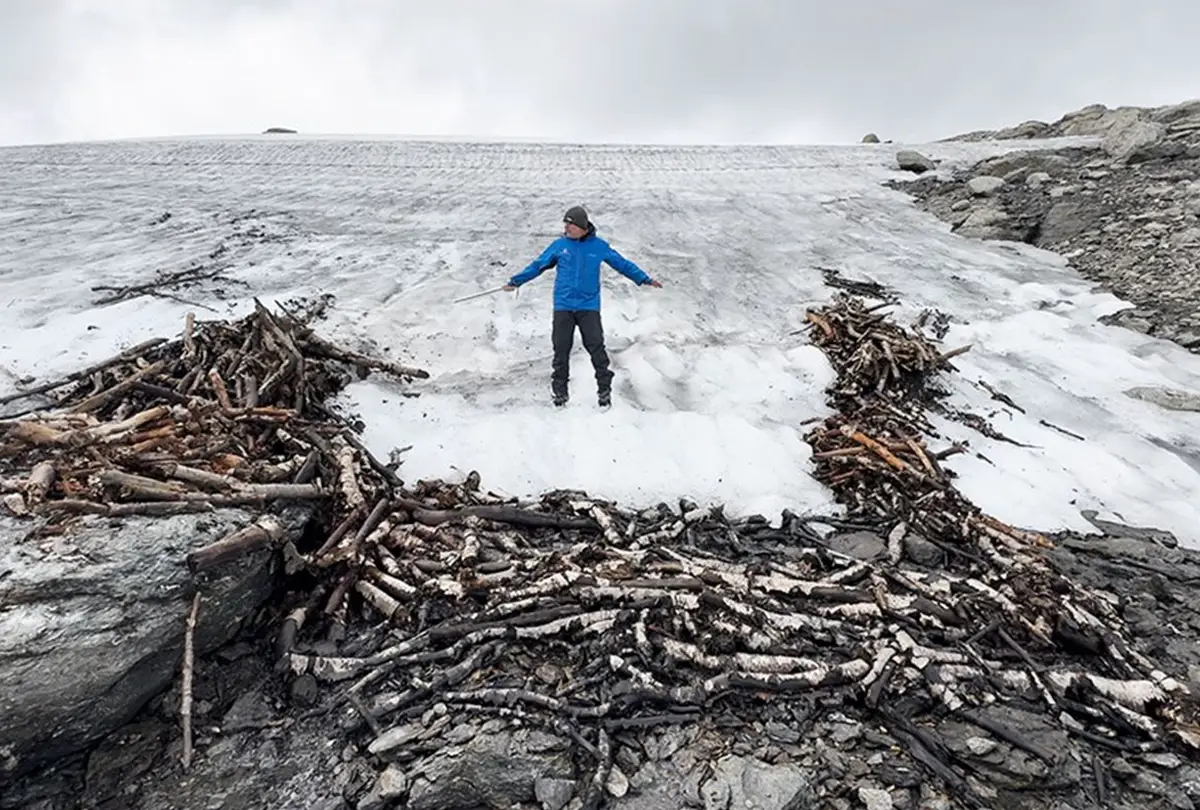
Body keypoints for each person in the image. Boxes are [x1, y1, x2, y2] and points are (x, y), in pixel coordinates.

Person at [504, 205, 662, 407]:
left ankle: (604, 391)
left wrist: (644, 278)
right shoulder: (559, 245)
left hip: (588, 306)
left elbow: (622, 264)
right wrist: (516, 281)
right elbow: (538, 265)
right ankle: (560, 394)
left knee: (596, 348)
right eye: (565, 224)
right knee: (561, 350)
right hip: (564, 306)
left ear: (582, 226)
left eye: (570, 225)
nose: (566, 228)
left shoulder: (598, 246)